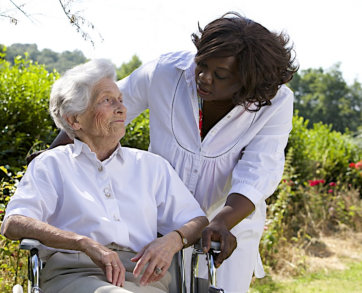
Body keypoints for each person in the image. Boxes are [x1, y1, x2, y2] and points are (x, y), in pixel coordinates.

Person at [35, 11, 298, 293]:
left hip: (228, 224)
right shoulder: (165, 72)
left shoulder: (276, 102)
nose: (204, 78)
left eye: (220, 75)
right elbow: (92, 111)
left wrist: (221, 221)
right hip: (160, 220)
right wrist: (49, 159)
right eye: (202, 64)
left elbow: (259, 170)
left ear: (249, 80)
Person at [1, 59, 208, 293]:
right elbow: (14, 223)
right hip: (73, 274)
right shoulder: (51, 164)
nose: (121, 108)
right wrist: (82, 243)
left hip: (144, 279)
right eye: (107, 101)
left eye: (120, 100)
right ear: (74, 119)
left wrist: (173, 240)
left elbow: (196, 220)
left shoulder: (151, 166)